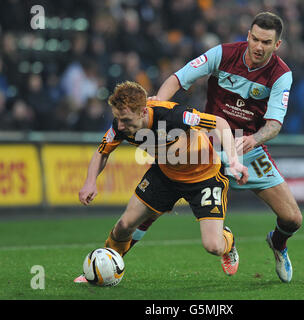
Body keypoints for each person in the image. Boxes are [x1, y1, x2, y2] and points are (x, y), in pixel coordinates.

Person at [129, 12, 303, 283]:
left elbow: (274, 124)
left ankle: (278, 244)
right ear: (247, 36)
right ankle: (112, 258)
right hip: (206, 145)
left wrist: (254, 139)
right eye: (255, 39)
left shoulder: (281, 74)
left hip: (248, 147)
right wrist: (156, 107)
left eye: (266, 42)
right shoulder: (222, 54)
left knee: (292, 219)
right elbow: (178, 78)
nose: (258, 46)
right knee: (152, 206)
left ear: (277, 45)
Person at [74, 81, 248, 283]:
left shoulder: (173, 115)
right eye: (118, 119)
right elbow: (102, 152)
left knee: (213, 246)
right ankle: (102, 269)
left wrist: (234, 160)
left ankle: (228, 240)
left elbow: (220, 124)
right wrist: (90, 182)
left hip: (204, 177)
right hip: (165, 175)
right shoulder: (121, 124)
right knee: (124, 225)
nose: (120, 126)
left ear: (143, 112)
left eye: (126, 120)